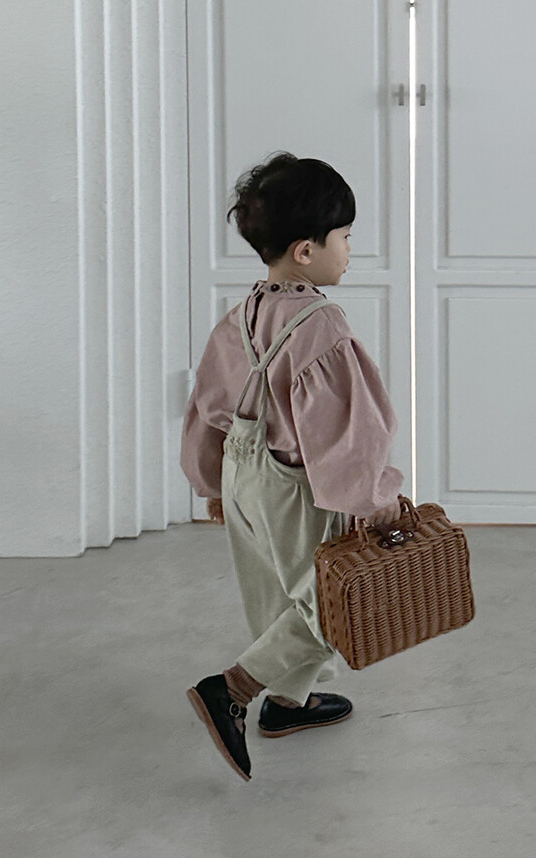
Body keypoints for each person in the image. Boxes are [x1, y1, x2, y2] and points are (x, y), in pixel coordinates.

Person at [180, 151, 406, 782]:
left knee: (273, 594)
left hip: (241, 474)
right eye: (345, 237)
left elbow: (208, 403)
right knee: (334, 603)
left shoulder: (242, 314)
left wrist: (210, 483)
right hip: (295, 484)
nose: (350, 251)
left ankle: (291, 703)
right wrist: (374, 497)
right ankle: (232, 689)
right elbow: (345, 431)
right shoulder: (320, 324)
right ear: (306, 250)